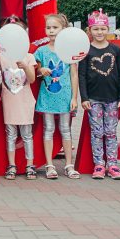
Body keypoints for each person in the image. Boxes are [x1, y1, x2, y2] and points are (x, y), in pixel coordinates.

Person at [80, 9, 120, 180]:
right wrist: (84, 98)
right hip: (93, 99)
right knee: (97, 132)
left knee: (111, 131)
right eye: (96, 29)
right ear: (90, 30)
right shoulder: (86, 51)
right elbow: (82, 76)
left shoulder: (115, 50)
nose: (99, 33)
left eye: (102, 29)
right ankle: (99, 164)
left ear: (108, 29)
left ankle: (113, 164)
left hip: (113, 99)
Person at [35, 13, 80, 179]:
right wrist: (41, 71)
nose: (51, 31)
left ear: (63, 30)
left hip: (65, 96)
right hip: (47, 96)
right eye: (48, 27)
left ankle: (69, 165)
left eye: (55, 27)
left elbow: (74, 75)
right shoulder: (41, 51)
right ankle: (49, 165)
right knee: (48, 129)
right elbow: (37, 71)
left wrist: (74, 97)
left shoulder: (69, 51)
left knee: (66, 130)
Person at [0, 18, 38, 180]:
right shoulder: (0, 57)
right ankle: (12, 165)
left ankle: (30, 165)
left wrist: (26, 66)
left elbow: (32, 79)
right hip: (9, 102)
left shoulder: (28, 56)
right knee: (11, 134)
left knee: (27, 134)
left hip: (25, 101)